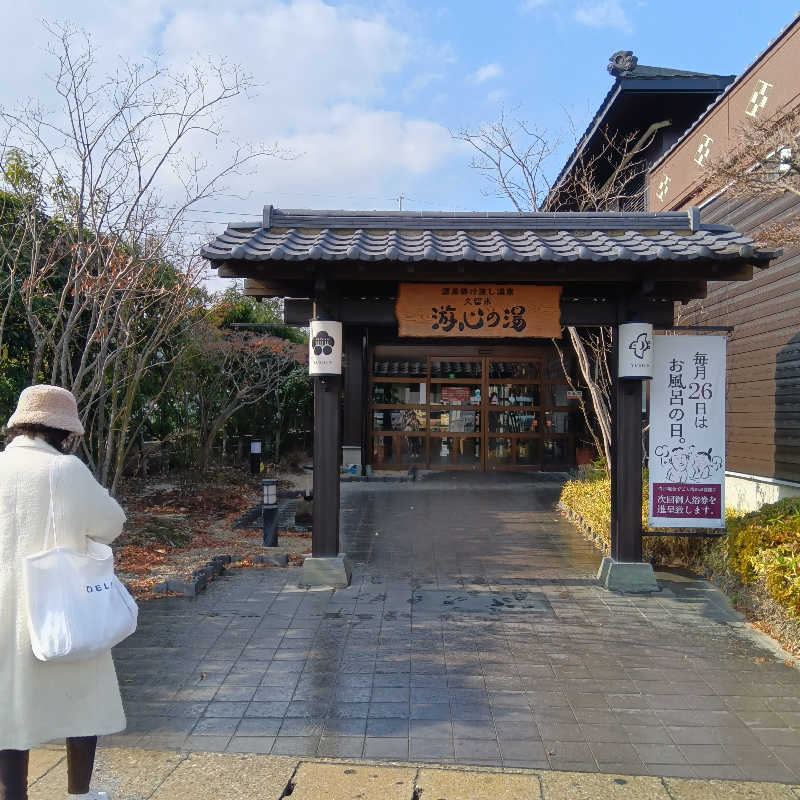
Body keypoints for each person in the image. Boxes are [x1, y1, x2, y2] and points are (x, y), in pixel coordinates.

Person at [0, 386, 127, 800]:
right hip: (60, 608)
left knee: (7, 705)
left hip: (4, 611)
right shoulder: (65, 471)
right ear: (61, 432)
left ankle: (12, 793)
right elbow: (111, 523)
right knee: (82, 696)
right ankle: (79, 793)